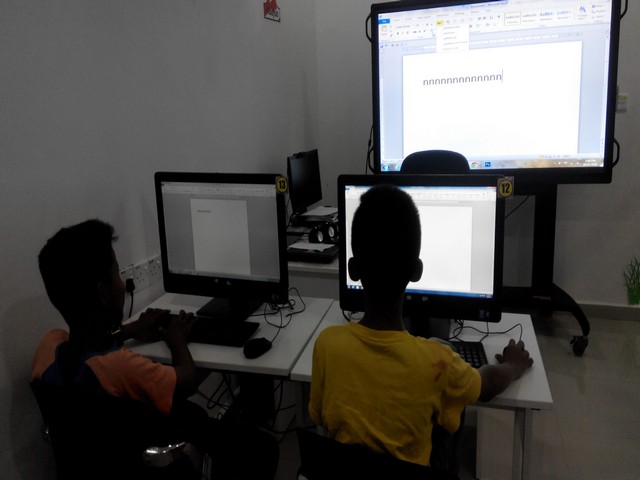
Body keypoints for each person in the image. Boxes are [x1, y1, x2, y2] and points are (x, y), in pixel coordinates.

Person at [32, 219, 279, 479]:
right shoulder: (121, 367)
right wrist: (176, 338)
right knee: (264, 447)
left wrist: (128, 330)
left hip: (95, 463)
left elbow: (87, 346)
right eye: (117, 272)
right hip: (166, 452)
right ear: (103, 291)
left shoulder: (48, 349)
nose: (122, 284)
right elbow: (187, 379)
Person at [309, 184, 533, 470]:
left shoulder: (327, 344)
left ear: (352, 269)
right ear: (417, 271)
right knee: (451, 414)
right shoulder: (438, 361)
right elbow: (486, 385)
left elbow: (319, 415)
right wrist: (513, 365)